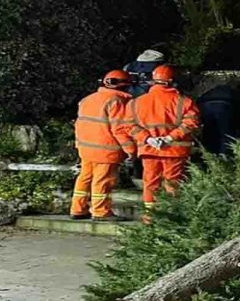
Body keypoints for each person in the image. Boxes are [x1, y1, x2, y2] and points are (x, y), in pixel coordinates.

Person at [119, 65, 201, 222]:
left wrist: (148, 139)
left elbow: (128, 126)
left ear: (153, 81)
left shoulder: (136, 103)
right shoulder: (183, 102)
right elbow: (192, 122)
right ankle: (171, 217)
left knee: (150, 182)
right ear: (172, 81)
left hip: (149, 149)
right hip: (174, 150)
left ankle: (149, 217)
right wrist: (170, 138)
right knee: (173, 182)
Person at [70, 69, 136, 221]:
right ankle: (101, 212)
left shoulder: (88, 99)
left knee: (85, 178)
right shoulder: (117, 102)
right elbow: (119, 129)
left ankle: (78, 209)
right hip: (106, 149)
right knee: (103, 180)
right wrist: (130, 150)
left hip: (85, 147)